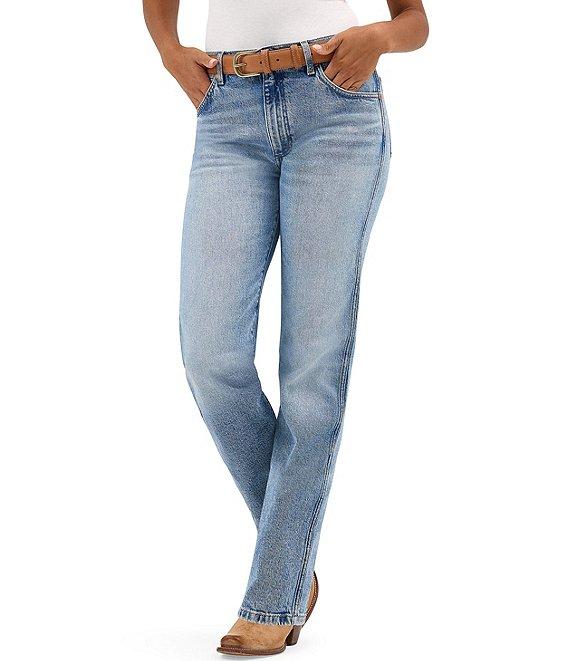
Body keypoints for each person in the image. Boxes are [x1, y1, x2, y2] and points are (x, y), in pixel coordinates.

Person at [143, 0, 428, 655]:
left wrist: (377, 38)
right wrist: (167, 48)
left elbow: (414, 20)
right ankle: (294, 559)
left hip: (336, 107)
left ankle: (275, 594)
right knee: (210, 356)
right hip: (227, 111)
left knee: (312, 367)